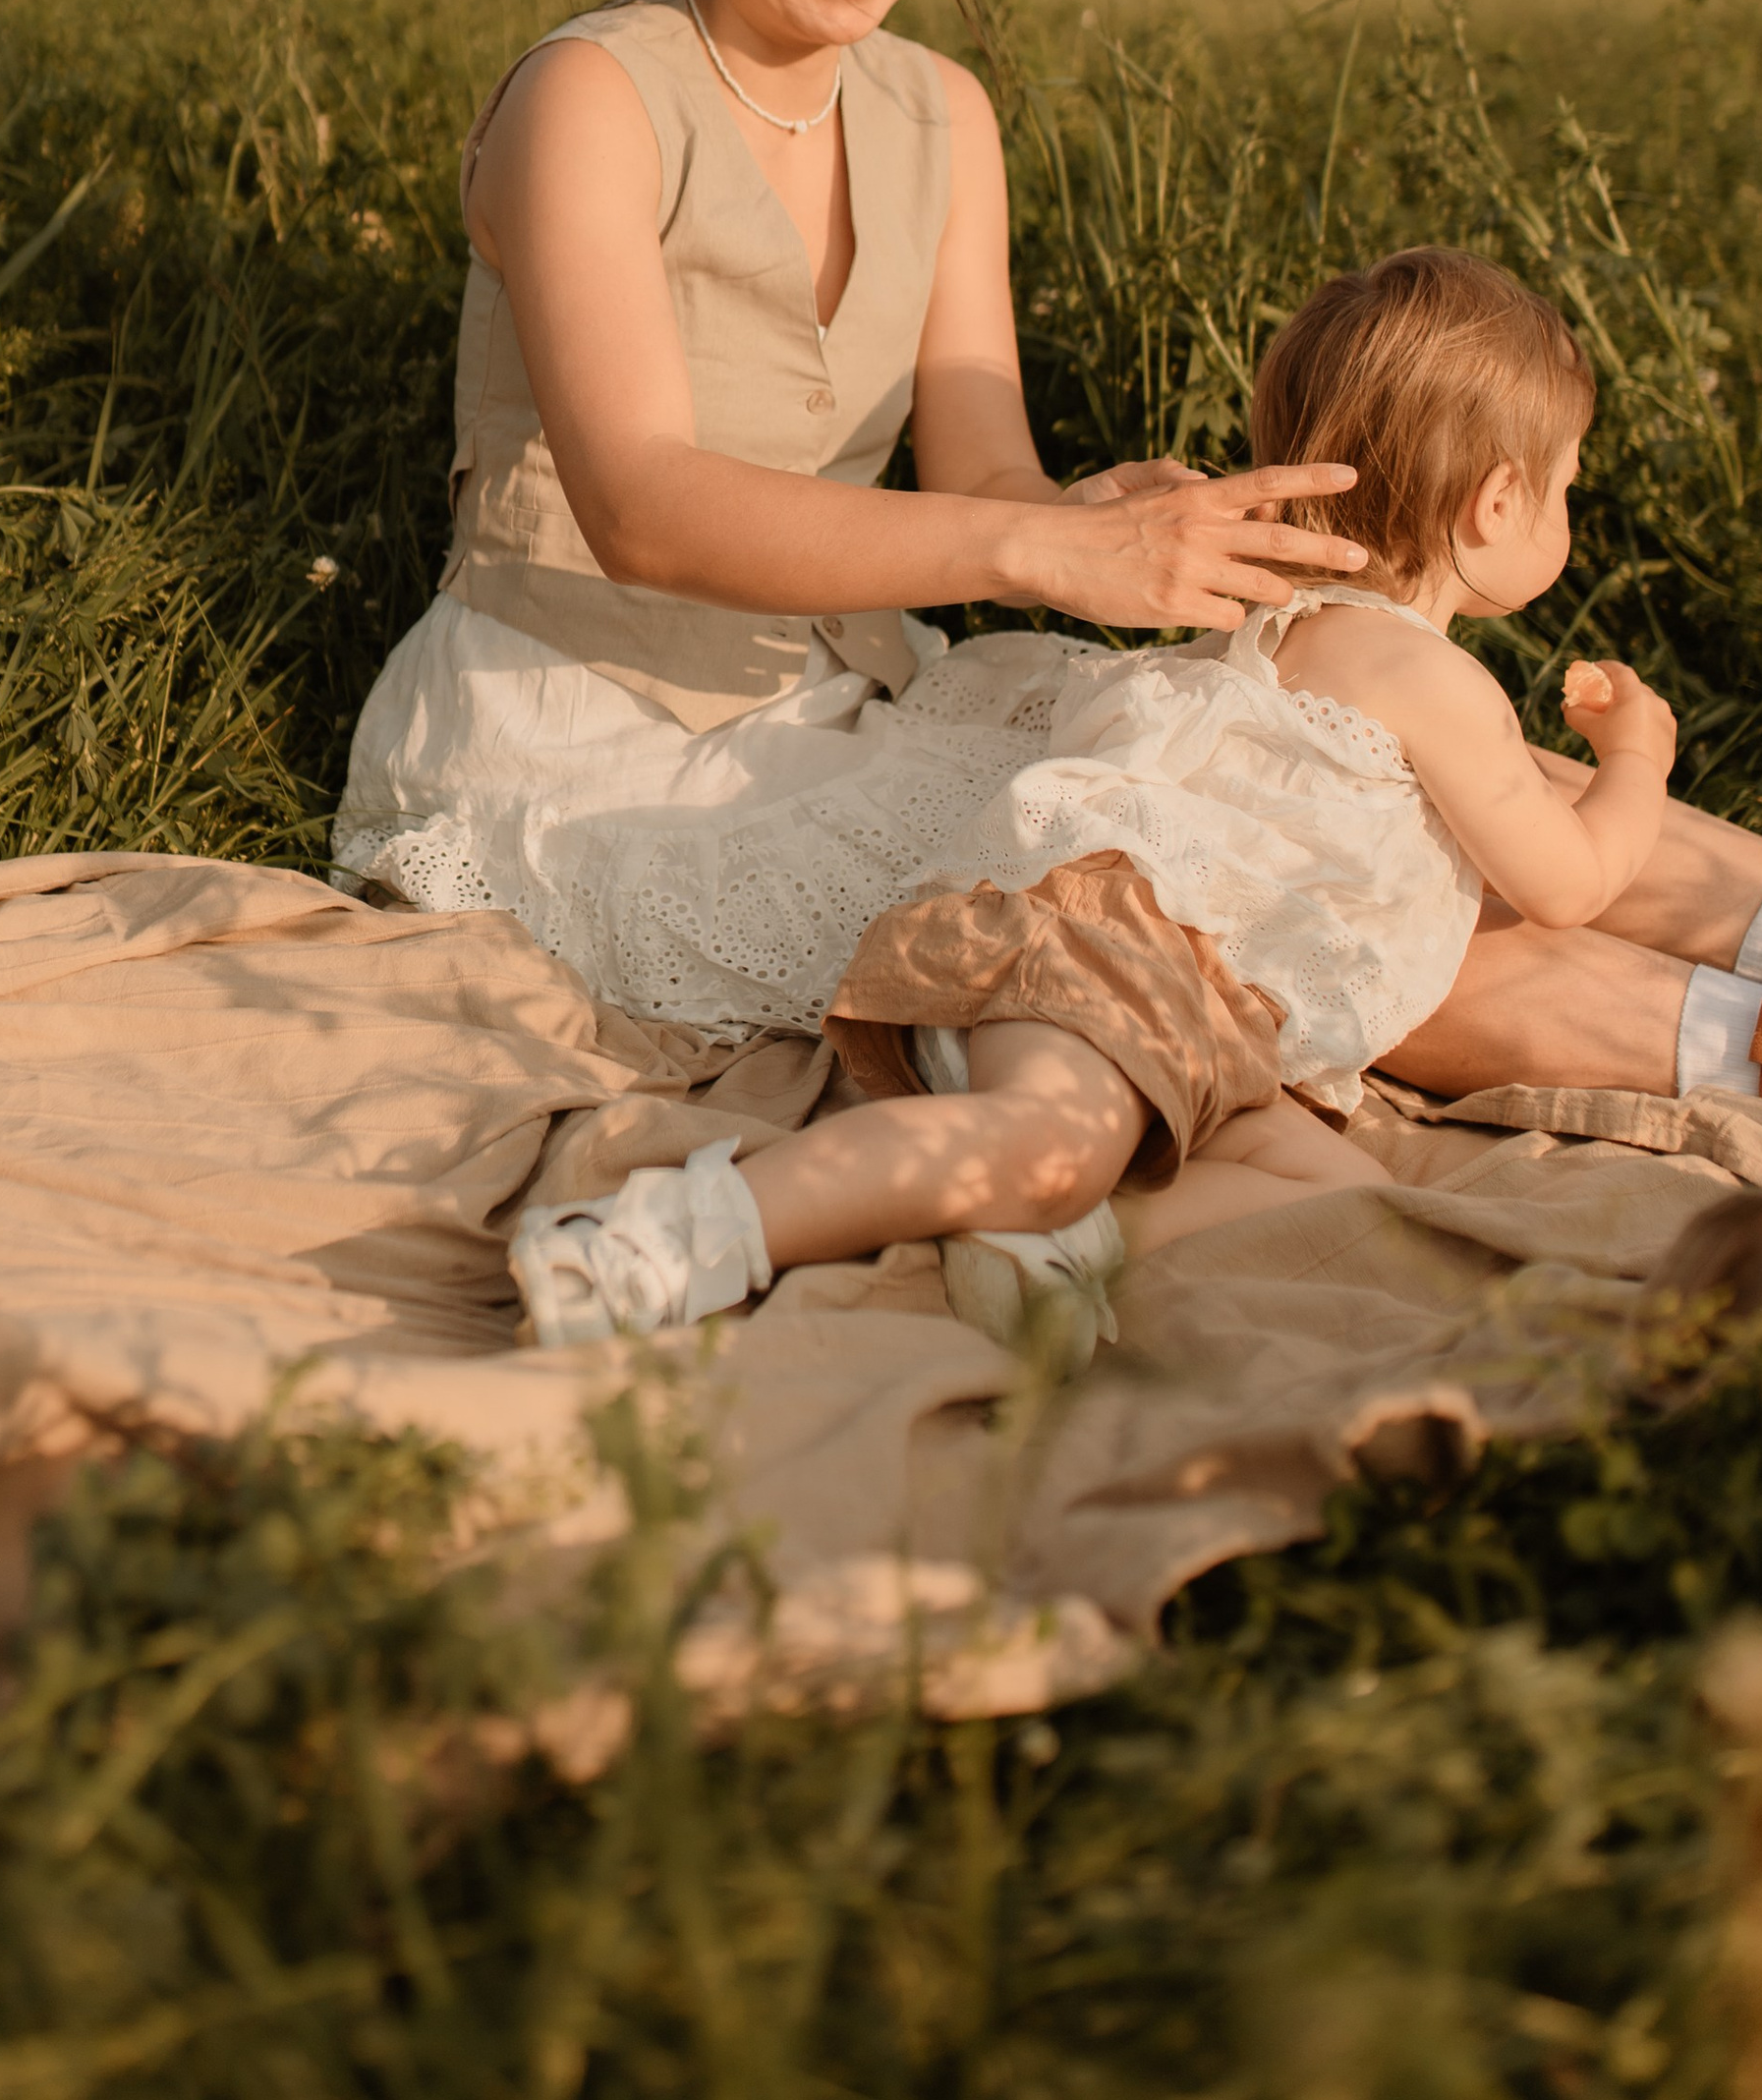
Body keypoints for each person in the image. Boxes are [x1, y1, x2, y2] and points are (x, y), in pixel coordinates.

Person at [332, 0, 1762, 1302]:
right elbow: (645, 503)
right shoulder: (592, 102)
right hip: (598, 741)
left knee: (1346, 755)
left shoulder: (941, 118)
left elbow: (987, 469)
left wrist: (1150, 527)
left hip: (857, 695)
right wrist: (1041, 549)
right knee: (1246, 866)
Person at [508, 246, 1677, 1345]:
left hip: (1205, 1018)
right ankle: (668, 1242)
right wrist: (1635, 762)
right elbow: (1565, 882)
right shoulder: (1430, 676)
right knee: (1047, 1147)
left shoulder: (1277, 622)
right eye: (1565, 489)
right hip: (1111, 953)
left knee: (1342, 1193)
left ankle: (1062, 1238)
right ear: (1497, 502)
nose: (1565, 512)